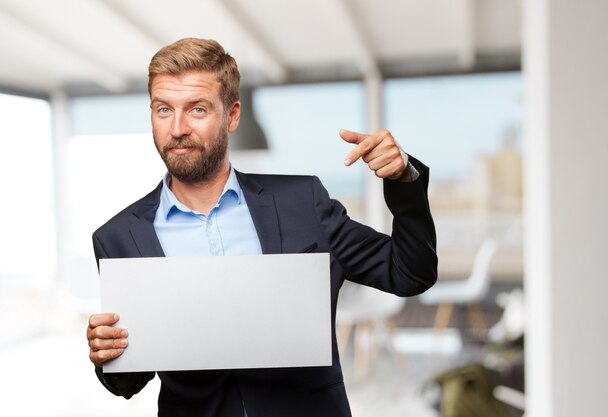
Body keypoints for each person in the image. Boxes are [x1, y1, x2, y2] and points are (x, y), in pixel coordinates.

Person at [86, 37, 437, 417]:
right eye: (163, 110)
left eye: (197, 109)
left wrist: (404, 178)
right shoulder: (118, 237)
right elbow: (129, 381)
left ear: (232, 115)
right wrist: (106, 353)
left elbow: (410, 273)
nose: (177, 128)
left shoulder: (303, 203)